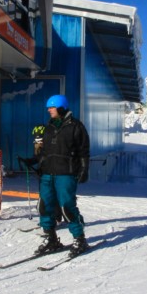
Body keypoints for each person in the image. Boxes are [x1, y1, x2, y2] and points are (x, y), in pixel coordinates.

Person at [34, 94, 90, 257]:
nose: (49, 110)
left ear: (60, 107)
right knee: (44, 205)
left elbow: (84, 151)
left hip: (66, 173)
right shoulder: (49, 127)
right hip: (48, 173)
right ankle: (51, 238)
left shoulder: (76, 126)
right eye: (49, 107)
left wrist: (84, 169)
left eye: (51, 107)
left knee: (67, 206)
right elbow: (43, 151)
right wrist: (37, 157)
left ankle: (79, 239)